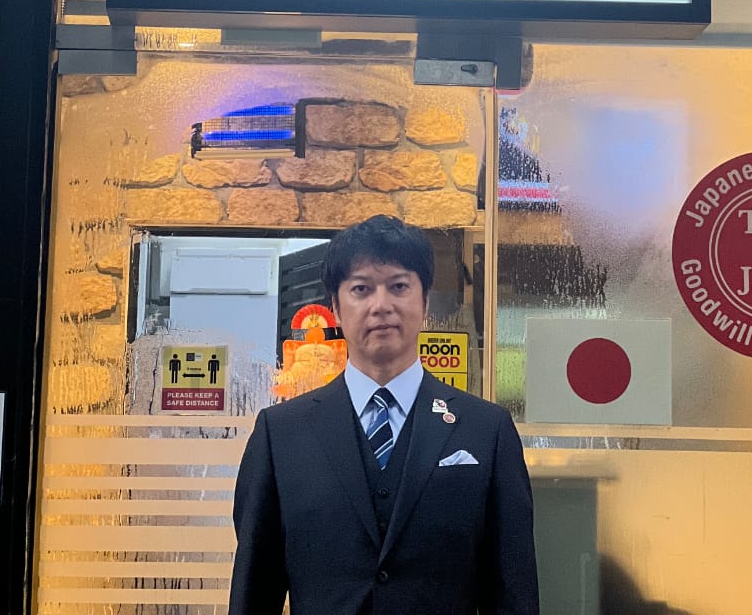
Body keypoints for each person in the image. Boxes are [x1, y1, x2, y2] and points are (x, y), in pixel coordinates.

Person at [229, 215, 539, 615]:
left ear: (424, 303)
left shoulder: (487, 431)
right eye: (361, 289)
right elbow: (254, 591)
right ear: (336, 308)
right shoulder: (281, 435)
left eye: (399, 286)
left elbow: (513, 593)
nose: (381, 306)